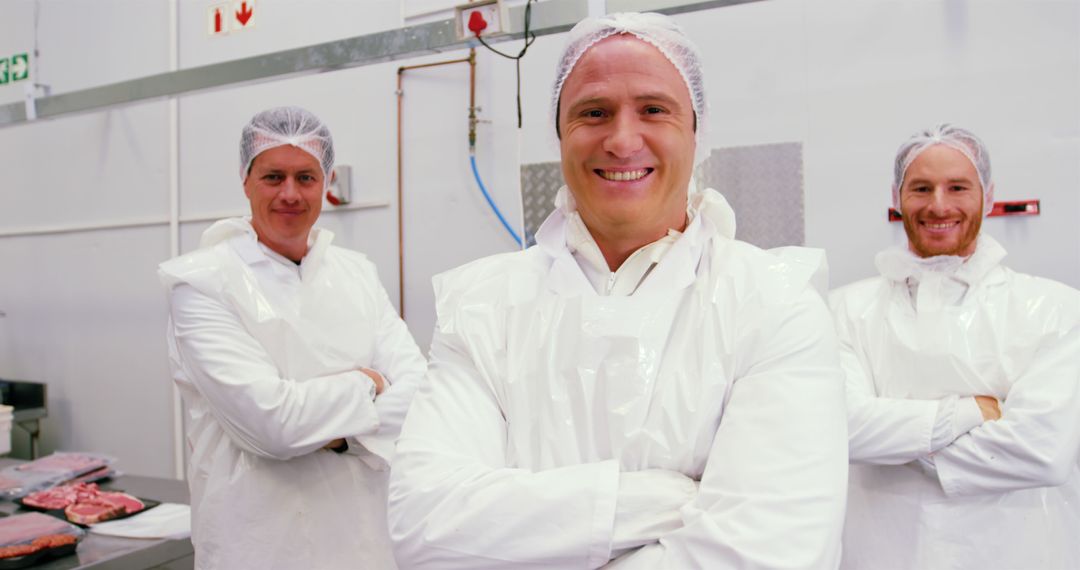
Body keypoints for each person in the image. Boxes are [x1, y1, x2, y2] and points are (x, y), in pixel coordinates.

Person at [388, 12, 848, 569]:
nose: (623, 139)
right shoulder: (484, 306)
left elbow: (768, 552)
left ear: (696, 133)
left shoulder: (773, 303)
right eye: (593, 112)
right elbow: (425, 529)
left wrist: (528, 530)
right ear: (560, 136)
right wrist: (668, 499)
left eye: (654, 109)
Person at [158, 106, 426, 570]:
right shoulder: (202, 282)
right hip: (255, 545)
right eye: (272, 177)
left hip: (362, 542)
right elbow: (273, 425)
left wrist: (334, 434)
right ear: (246, 181)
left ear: (326, 183)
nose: (290, 193)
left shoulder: (356, 273)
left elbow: (421, 395)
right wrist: (368, 382)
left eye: (306, 177)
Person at [832, 124, 1080, 569]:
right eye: (921, 188)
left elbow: (1043, 452)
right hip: (882, 553)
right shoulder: (843, 311)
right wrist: (972, 413)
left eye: (958, 187)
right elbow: (843, 430)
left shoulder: (1056, 309)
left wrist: (895, 440)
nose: (939, 205)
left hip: (1019, 553)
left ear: (987, 194)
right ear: (897, 196)